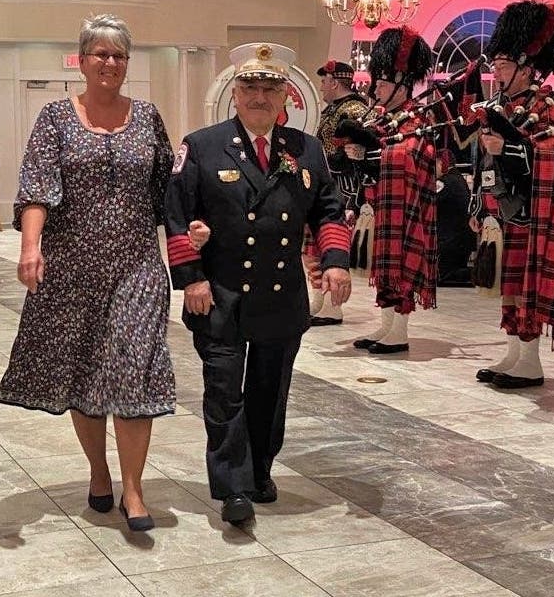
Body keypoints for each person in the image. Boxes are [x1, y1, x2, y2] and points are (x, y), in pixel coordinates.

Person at [0, 14, 186, 532]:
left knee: (135, 367)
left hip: (137, 265)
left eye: (119, 55)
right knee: (85, 372)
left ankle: (133, 489)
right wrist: (30, 246)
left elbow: (166, 190)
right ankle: (99, 472)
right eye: (100, 53)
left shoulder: (147, 118)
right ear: (81, 61)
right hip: (73, 266)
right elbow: (37, 185)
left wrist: (191, 233)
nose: (110, 62)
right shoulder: (55, 118)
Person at [164, 42, 352, 526]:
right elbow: (177, 215)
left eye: (270, 87)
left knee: (270, 393)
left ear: (286, 94)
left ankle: (260, 471)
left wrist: (335, 261)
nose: (260, 96)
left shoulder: (305, 149)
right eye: (250, 86)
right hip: (220, 294)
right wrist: (191, 279)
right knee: (224, 392)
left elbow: (328, 209)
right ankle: (231, 488)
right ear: (235, 93)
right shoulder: (202, 145)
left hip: (280, 295)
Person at [471, 0, 554, 388]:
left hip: (531, 213)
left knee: (527, 288)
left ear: (525, 66)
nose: (496, 71)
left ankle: (530, 360)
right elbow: (485, 165)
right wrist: (480, 202)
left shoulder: (546, 105)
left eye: (503, 65)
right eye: (495, 65)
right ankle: (514, 353)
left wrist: (504, 148)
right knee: (509, 287)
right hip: (503, 212)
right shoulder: (501, 106)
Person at [336, 26, 437, 354]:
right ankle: (387, 324)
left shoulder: (416, 117)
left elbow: (413, 156)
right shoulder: (381, 117)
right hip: (378, 202)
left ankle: (401, 329)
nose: (376, 87)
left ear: (401, 84)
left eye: (382, 82)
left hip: (405, 204)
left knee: (401, 262)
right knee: (383, 264)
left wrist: (374, 151)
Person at [309, 60, 369, 325]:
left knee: (331, 245)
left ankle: (333, 306)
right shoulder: (331, 110)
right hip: (326, 184)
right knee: (313, 247)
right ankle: (319, 300)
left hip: (344, 187)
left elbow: (354, 156)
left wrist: (354, 201)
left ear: (334, 81)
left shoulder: (354, 110)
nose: (321, 87)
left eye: (324, 81)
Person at [435, 150, 475, 286]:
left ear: (441, 163)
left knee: (440, 276)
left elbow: (428, 203)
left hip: (449, 242)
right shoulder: (458, 178)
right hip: (461, 241)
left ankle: (478, 275)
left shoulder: (444, 182)